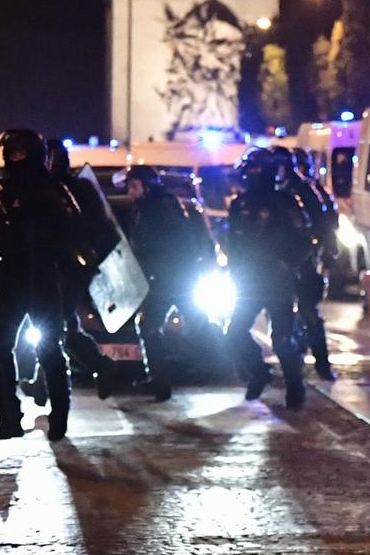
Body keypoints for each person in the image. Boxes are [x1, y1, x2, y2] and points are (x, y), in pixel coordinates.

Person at [0, 129, 79, 441]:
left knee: (49, 348)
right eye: (9, 151)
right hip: (12, 276)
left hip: (43, 276)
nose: (10, 156)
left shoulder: (52, 189)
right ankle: (8, 416)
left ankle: (59, 416)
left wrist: (61, 261)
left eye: (17, 151)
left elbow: (72, 231)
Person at [223, 147, 313, 408]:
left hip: (277, 281)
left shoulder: (285, 203)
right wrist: (234, 270)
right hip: (248, 281)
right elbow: (234, 244)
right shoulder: (239, 205)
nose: (250, 175)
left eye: (255, 170)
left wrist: (287, 264)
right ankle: (259, 372)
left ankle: (295, 389)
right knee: (234, 334)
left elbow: (304, 240)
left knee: (282, 339)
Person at [124, 164, 201, 402]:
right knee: (149, 327)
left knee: (194, 326)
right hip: (161, 279)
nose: (130, 191)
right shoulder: (146, 207)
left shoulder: (160, 207)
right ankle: (159, 381)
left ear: (147, 186)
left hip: (170, 278)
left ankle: (166, 378)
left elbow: (171, 244)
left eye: (134, 186)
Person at [45, 140, 115, 399]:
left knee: (55, 322)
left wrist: (88, 258)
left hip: (70, 266)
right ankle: (101, 365)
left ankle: (48, 384)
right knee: (60, 325)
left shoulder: (76, 189)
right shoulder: (44, 188)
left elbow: (98, 227)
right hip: (51, 266)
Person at [281, 147, 338, 382]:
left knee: (308, 312)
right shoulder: (275, 190)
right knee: (283, 313)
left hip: (304, 259)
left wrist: (326, 252)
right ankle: (292, 361)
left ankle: (322, 364)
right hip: (280, 261)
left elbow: (325, 223)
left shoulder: (306, 191)